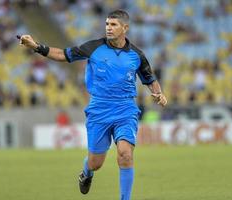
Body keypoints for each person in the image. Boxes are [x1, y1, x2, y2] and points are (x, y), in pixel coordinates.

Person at [18, 9, 167, 200]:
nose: (108, 28)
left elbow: (149, 78)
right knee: (96, 163)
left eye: (113, 24)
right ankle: (86, 173)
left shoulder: (137, 55)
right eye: (107, 24)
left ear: (125, 28)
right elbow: (63, 54)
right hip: (99, 109)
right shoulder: (93, 47)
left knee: (125, 154)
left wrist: (158, 93)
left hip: (125, 109)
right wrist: (36, 46)